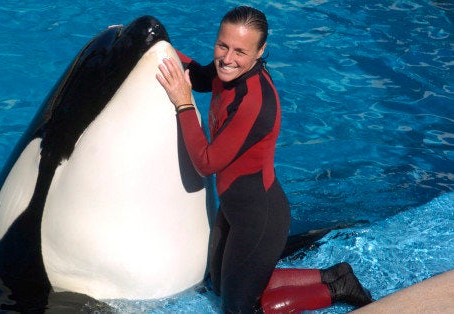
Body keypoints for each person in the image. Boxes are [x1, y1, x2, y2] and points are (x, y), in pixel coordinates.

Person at [157, 5, 373, 313]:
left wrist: (182, 103)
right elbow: (202, 78)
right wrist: (153, 44)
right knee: (220, 286)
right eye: (223, 46)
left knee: (240, 309)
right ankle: (332, 274)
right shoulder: (227, 73)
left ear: (260, 51)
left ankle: (339, 288)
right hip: (234, 207)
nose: (227, 59)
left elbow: (206, 163)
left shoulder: (253, 101)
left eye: (240, 52)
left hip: (259, 217)